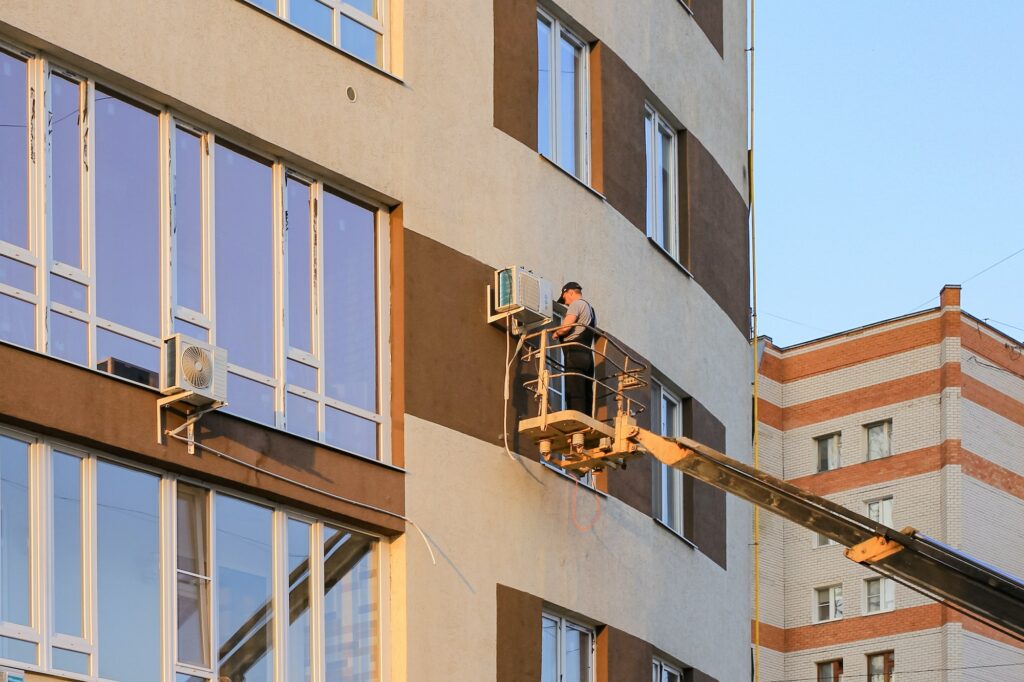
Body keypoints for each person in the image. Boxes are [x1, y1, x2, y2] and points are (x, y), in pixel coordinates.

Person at [550, 281, 597, 416]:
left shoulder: (576, 304)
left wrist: (556, 333)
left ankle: (575, 420)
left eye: (564, 298)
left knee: (574, 389)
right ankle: (586, 420)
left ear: (569, 292)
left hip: (575, 353)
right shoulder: (591, 310)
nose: (566, 303)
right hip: (588, 356)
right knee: (586, 391)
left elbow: (566, 327)